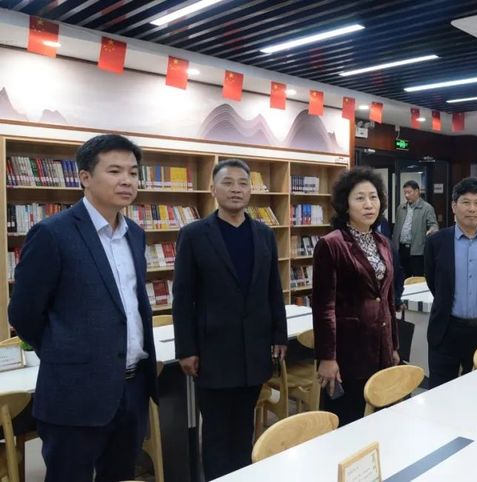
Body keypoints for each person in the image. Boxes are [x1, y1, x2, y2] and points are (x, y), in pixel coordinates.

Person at [9, 134, 158, 482]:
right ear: (85, 177)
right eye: (115, 171)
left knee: (120, 475)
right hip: (74, 391)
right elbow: (24, 314)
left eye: (133, 172)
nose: (127, 180)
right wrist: (66, 353)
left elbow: (131, 305)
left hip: (131, 388)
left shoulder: (135, 234)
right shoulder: (52, 233)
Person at [172, 159, 287, 480]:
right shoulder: (194, 235)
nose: (236, 189)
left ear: (251, 190)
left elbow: (273, 289)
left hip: (254, 349)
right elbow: (182, 297)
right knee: (217, 431)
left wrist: (279, 334)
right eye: (228, 182)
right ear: (213, 189)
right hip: (213, 352)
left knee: (244, 426)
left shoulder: (264, 234)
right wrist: (186, 348)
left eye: (243, 183)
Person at [312, 167, 400, 425]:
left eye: (373, 197)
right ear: (345, 204)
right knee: (349, 422)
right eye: (360, 198)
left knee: (382, 419)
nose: (368, 204)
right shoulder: (332, 244)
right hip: (349, 351)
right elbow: (323, 307)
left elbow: (388, 298)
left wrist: (394, 345)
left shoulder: (383, 242)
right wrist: (327, 357)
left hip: (382, 348)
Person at [424, 177, 477, 388]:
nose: (472, 209)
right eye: (466, 202)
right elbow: (433, 282)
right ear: (454, 206)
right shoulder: (436, 242)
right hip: (446, 329)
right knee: (441, 392)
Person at [393, 180, 438, 277]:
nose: (406, 195)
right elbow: (397, 227)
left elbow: (434, 225)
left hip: (417, 250)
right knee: (402, 276)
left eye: (409, 192)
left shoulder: (427, 208)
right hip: (401, 249)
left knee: (417, 278)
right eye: (405, 192)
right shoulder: (400, 208)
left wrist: (431, 230)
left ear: (417, 191)